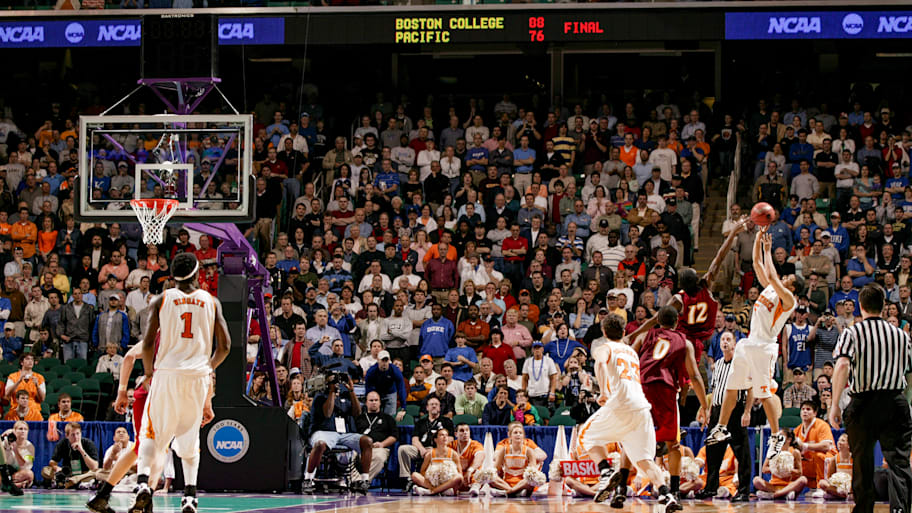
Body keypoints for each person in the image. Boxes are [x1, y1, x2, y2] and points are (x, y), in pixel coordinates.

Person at [128, 253, 230, 513]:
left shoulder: (162, 299)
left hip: (167, 373)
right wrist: (208, 367)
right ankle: (189, 495)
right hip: (197, 376)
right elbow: (226, 346)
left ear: (173, 276)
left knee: (151, 430)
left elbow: (149, 343)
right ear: (197, 274)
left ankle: (142, 483)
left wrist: (149, 373)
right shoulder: (211, 301)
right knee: (189, 433)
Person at [707, 230, 798, 460]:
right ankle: (721, 427)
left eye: (790, 280)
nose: (785, 278)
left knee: (763, 392)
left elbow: (773, 277)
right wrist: (758, 240)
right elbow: (757, 264)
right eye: (785, 278)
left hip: (765, 347)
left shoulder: (789, 300)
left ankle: (776, 435)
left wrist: (769, 251)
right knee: (731, 385)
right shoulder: (771, 288)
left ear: (794, 288)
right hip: (748, 343)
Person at [577, 314, 679, 510]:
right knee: (645, 460)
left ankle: (606, 472)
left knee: (585, 437)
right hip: (641, 407)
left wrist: (604, 392)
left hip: (620, 403)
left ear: (604, 332)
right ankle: (667, 495)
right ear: (624, 332)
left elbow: (600, 364)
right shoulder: (632, 353)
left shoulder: (604, 348)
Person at [829, 283, 912, 513]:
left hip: (863, 402)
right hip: (895, 400)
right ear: (884, 306)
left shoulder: (852, 332)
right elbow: (909, 369)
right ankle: (900, 510)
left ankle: (864, 508)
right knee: (899, 462)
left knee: (862, 461)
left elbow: (843, 364)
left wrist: (834, 404)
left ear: (860, 306)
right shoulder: (901, 335)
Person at [627, 306, 709, 501]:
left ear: (657, 320)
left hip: (641, 387)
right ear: (677, 322)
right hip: (665, 388)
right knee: (673, 443)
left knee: (634, 437)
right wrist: (705, 406)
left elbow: (629, 360)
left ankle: (622, 485)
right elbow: (695, 377)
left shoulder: (644, 335)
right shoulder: (684, 341)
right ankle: (673, 490)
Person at [694, 331, 751, 502]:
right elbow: (714, 391)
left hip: (736, 410)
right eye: (723, 339)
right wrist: (709, 412)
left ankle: (743, 491)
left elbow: (750, 389)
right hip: (717, 409)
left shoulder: (741, 363)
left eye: (728, 339)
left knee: (741, 452)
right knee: (713, 450)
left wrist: (747, 411)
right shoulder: (717, 364)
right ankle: (711, 487)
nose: (725, 342)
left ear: (735, 344)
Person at [302, 370, 372, 494]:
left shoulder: (346, 397)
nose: (337, 383)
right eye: (333, 381)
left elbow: (357, 413)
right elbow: (328, 413)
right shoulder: (320, 397)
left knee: (367, 441)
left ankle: (364, 480)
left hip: (344, 434)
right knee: (320, 444)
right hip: (323, 431)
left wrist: (351, 391)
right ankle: (308, 478)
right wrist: (332, 392)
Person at [398, 395, 455, 490]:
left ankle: (427, 481)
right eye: (431, 404)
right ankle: (407, 479)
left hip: (438, 451)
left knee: (431, 453)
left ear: (440, 408)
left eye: (436, 404)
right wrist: (422, 450)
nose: (434, 406)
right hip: (422, 449)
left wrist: (434, 450)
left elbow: (451, 439)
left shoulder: (446, 421)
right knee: (403, 449)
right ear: (427, 407)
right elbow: (415, 439)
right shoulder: (421, 422)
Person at [354, 391, 397, 483]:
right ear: (366, 402)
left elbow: (394, 436)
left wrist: (382, 444)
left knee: (379, 458)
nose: (374, 402)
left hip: (379, 448)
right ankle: (356, 482)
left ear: (380, 402)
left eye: (376, 400)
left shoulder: (388, 418)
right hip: (361, 448)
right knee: (348, 456)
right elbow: (353, 435)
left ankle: (361, 482)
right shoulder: (359, 418)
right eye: (371, 400)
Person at [753, 429, 807, 500]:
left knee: (803, 480)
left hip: (789, 485)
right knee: (756, 480)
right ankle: (783, 494)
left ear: (789, 439)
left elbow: (799, 472)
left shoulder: (795, 452)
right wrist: (776, 469)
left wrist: (787, 470)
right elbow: (764, 469)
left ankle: (774, 495)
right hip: (773, 485)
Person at [794, 400, 836, 489]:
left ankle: (822, 486)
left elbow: (826, 446)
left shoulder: (822, 425)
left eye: (808, 409)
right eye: (803, 409)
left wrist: (805, 446)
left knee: (819, 456)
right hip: (808, 461)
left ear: (815, 413)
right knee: (790, 458)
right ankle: (787, 487)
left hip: (828, 460)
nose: (805, 411)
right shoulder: (797, 429)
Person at [43, 422, 98, 489]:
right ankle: (68, 482)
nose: (76, 437)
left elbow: (94, 466)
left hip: (84, 474)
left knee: (97, 472)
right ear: (67, 436)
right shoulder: (63, 443)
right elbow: (52, 462)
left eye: (78, 434)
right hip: (68, 474)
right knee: (46, 470)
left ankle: (74, 482)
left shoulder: (88, 444)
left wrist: (82, 451)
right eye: (73, 435)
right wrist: (57, 468)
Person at [490, 422, 539, 497]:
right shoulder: (503, 450)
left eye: (520, 433)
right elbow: (495, 469)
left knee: (531, 480)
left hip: (522, 483)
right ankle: (513, 491)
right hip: (506, 483)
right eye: (515, 432)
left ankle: (508, 492)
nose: (518, 434)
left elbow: (533, 472)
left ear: (523, 436)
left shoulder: (529, 451)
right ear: (510, 435)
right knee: (491, 477)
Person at [410, 428, 463, 496]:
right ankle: (439, 490)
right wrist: (431, 478)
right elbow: (422, 471)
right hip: (433, 483)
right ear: (435, 439)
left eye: (446, 435)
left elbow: (460, 473)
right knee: (414, 475)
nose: (445, 437)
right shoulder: (430, 454)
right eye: (441, 435)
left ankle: (432, 492)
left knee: (459, 477)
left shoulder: (454, 454)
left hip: (449, 484)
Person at [363, 350, 407, 419]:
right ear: (378, 360)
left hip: (390, 393)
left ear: (389, 361)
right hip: (376, 392)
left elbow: (401, 388)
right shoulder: (371, 371)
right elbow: (368, 388)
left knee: (389, 418)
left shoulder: (395, 370)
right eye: (382, 360)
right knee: (374, 416)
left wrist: (403, 407)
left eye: (386, 360)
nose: (384, 363)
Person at [448, 422, 484, 494]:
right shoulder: (451, 445)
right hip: (457, 476)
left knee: (480, 473)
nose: (465, 433)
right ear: (456, 434)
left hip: (470, 476)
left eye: (467, 430)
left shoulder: (475, 444)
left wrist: (470, 470)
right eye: (461, 431)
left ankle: (475, 487)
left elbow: (480, 456)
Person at [0, 421, 34, 495]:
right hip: (4, 471)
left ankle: (9, 484)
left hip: (17, 472)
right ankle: (18, 484)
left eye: (25, 429)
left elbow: (24, 466)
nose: (23, 431)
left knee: (29, 474)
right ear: (14, 431)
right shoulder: (5, 442)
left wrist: (15, 450)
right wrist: (2, 438)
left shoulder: (30, 446)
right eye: (20, 429)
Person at [817, 433, 853, 499]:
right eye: (839, 440)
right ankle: (841, 495)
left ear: (849, 445)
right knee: (822, 483)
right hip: (838, 488)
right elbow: (830, 478)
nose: (839, 442)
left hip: (850, 487)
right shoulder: (834, 459)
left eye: (843, 440)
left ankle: (839, 495)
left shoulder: (854, 458)